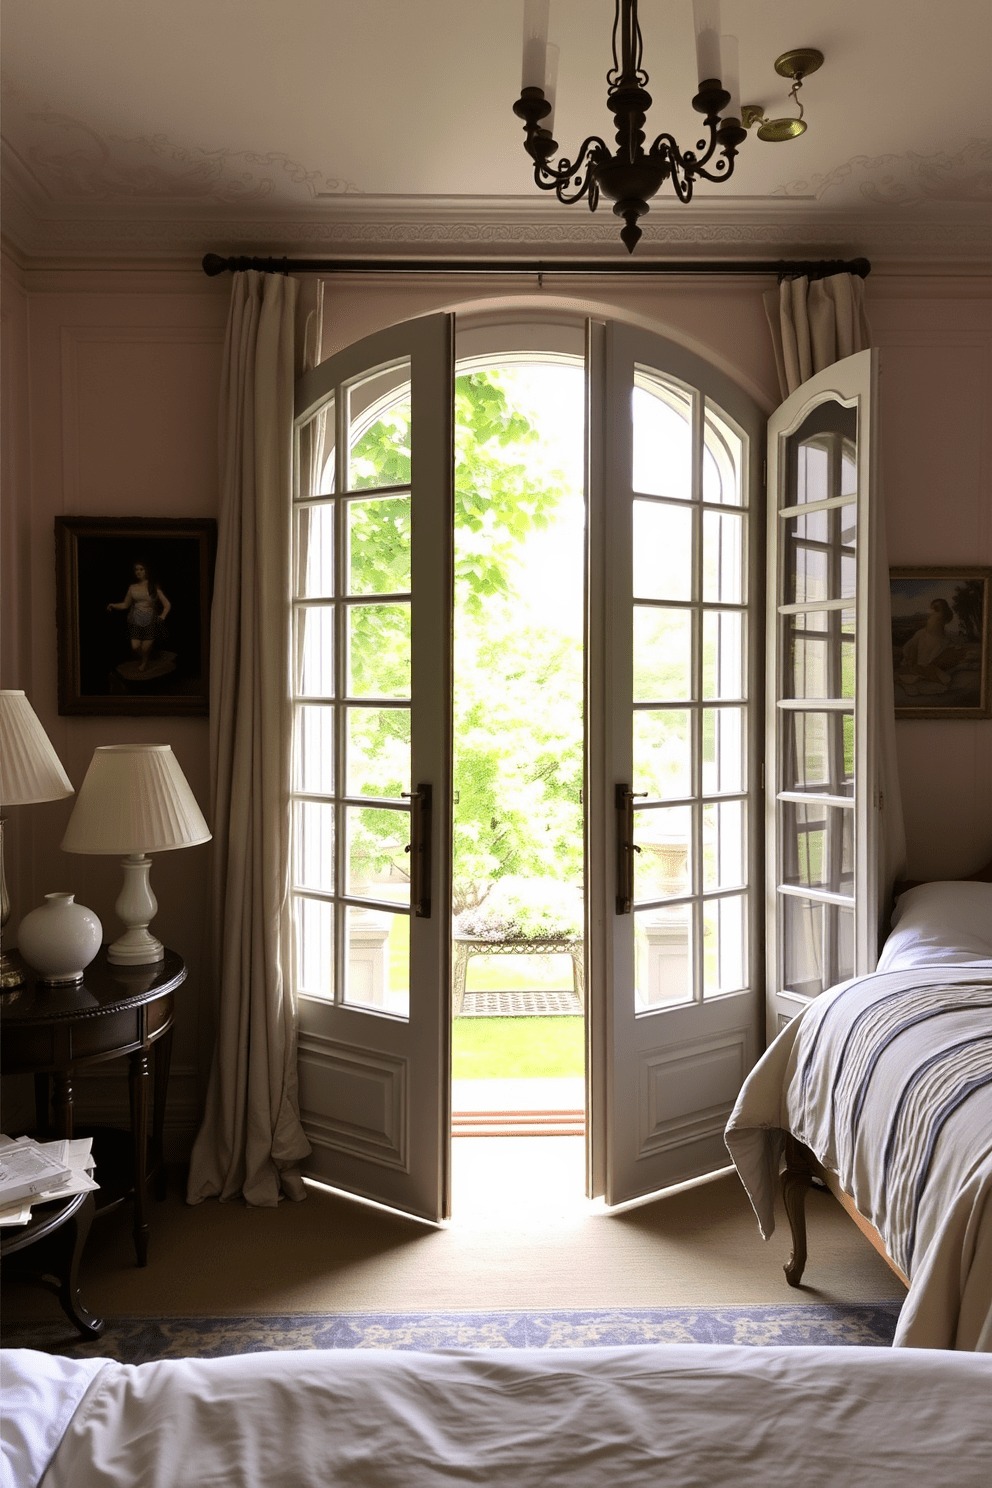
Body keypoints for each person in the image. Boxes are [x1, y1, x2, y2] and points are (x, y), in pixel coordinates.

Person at [107, 560, 171, 673]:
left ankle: (145, 661)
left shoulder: (153, 586)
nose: (138, 572)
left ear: (146, 571)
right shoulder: (132, 587)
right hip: (135, 620)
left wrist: (162, 617)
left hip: (150, 620)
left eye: (141, 569)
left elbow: (167, 604)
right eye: (136, 569)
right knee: (136, 647)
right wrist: (113, 605)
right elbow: (125, 605)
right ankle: (146, 657)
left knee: (145, 648)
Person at [894, 596, 966, 696]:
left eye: (936, 610)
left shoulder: (947, 641)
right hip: (914, 670)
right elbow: (909, 655)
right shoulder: (921, 634)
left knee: (940, 678)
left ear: (944, 616)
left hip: (927, 672)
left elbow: (939, 664)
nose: (932, 613)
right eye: (932, 609)